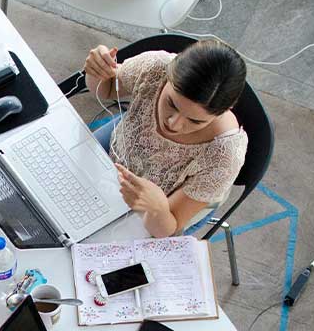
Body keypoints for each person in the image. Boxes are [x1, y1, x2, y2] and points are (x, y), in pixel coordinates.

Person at [82, 40, 248, 238]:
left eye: (195, 121)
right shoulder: (154, 68)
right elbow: (107, 90)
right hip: (116, 149)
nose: (173, 123)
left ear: (222, 112)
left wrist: (155, 208)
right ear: (167, 75)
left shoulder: (224, 156)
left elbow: (167, 228)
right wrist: (96, 72)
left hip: (163, 209)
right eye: (172, 103)